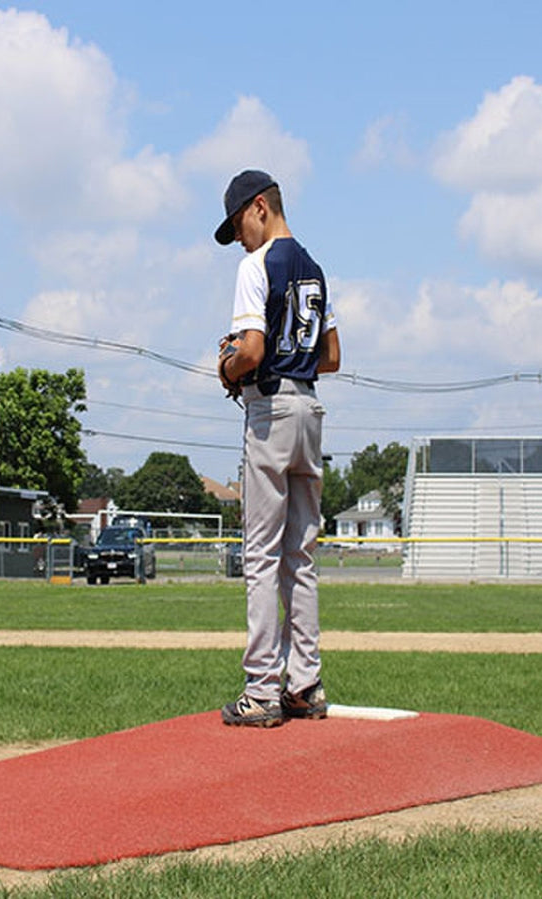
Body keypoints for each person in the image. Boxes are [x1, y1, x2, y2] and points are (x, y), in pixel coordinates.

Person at [214, 170, 341, 727]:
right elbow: (332, 356)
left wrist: (229, 362)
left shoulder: (256, 265)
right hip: (310, 409)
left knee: (261, 555)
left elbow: (255, 349)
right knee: (301, 556)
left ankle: (263, 689)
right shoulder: (312, 267)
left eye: (240, 222)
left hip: (270, 412)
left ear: (260, 207)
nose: (239, 237)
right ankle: (304, 685)